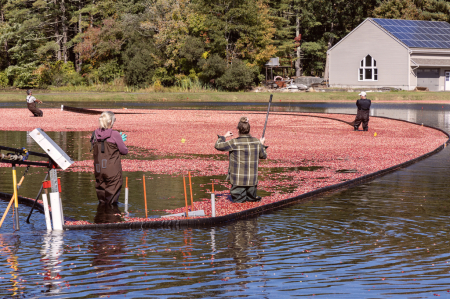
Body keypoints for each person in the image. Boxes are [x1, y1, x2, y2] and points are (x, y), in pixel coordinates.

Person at [214, 116, 267, 203]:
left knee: (238, 205)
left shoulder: (234, 142)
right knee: (251, 204)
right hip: (252, 181)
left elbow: (218, 145)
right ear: (249, 130)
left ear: (238, 130)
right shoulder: (256, 142)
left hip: (238, 181)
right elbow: (263, 156)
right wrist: (262, 145)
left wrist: (224, 136)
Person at [90, 111, 128, 205]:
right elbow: (124, 151)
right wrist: (120, 140)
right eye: (114, 120)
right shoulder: (115, 134)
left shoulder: (95, 133)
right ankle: (111, 218)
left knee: (102, 201)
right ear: (110, 122)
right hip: (112, 171)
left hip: (98, 170)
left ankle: (101, 218)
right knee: (111, 201)